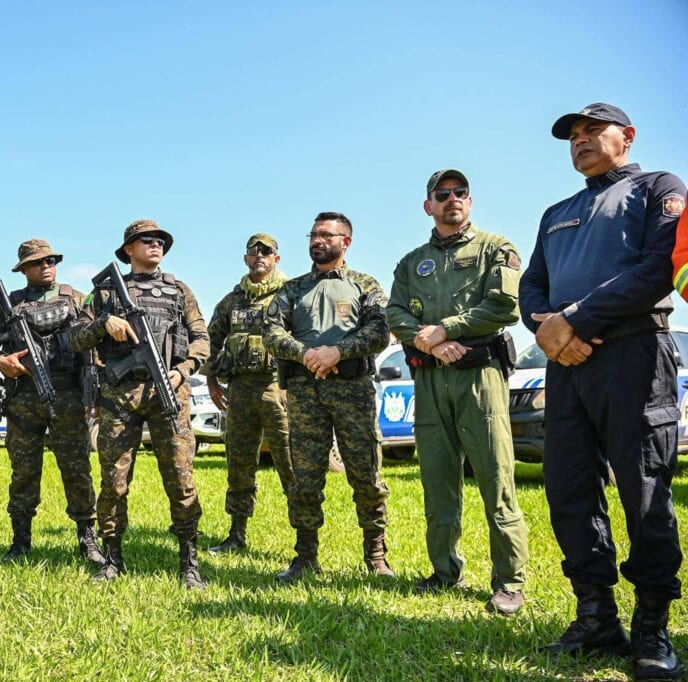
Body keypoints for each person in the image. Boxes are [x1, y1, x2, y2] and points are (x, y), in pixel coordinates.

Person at [520, 103, 685, 680]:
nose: (581, 141)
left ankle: (652, 627)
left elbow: (658, 267)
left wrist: (577, 319)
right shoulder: (557, 212)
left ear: (628, 136)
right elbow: (531, 285)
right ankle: (596, 617)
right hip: (567, 364)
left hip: (634, 355)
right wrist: (550, 329)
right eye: (573, 136)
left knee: (643, 491)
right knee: (568, 490)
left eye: (593, 132)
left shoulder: (657, 187)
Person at [386, 169, 529, 615]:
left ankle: (509, 582)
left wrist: (448, 328)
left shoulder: (495, 248)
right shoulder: (412, 262)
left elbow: (505, 305)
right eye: (442, 194)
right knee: (438, 479)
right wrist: (430, 340)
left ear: (469, 200)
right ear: (428, 205)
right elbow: (394, 312)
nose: (453, 199)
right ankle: (445, 570)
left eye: (460, 192)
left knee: (496, 477)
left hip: (480, 376)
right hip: (429, 379)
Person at [59, 219, 209, 588]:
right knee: (114, 480)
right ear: (129, 249)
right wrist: (103, 324)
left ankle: (189, 561)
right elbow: (73, 338)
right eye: (147, 240)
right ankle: (112, 559)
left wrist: (183, 370)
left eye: (160, 241)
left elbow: (202, 339)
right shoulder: (106, 294)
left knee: (180, 477)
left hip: (168, 395)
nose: (155, 245)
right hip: (118, 398)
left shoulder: (179, 291)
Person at [262, 211, 393, 582]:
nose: (316, 241)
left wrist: (338, 351)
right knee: (304, 477)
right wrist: (306, 354)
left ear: (345, 241)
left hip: (352, 390)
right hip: (304, 392)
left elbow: (381, 329)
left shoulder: (364, 284)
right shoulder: (292, 289)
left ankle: (376, 555)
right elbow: (271, 330)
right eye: (313, 234)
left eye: (325, 235)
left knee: (366, 473)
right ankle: (305, 557)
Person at [0, 239, 104, 566]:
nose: (46, 266)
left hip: (67, 396)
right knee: (23, 472)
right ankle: (21, 541)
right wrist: (0, 361)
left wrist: (95, 392)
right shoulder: (7, 305)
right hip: (23, 399)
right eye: (38, 262)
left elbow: (93, 344)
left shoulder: (75, 298)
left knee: (77, 469)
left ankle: (88, 540)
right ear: (23, 269)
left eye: (50, 260)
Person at [201, 233, 294, 554]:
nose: (259, 257)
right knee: (238, 463)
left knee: (290, 463)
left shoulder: (290, 295)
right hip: (239, 390)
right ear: (245, 259)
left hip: (277, 388)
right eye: (254, 252)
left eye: (267, 252)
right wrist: (212, 380)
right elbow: (210, 340)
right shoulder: (232, 300)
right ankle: (236, 534)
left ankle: (305, 541)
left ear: (276, 259)